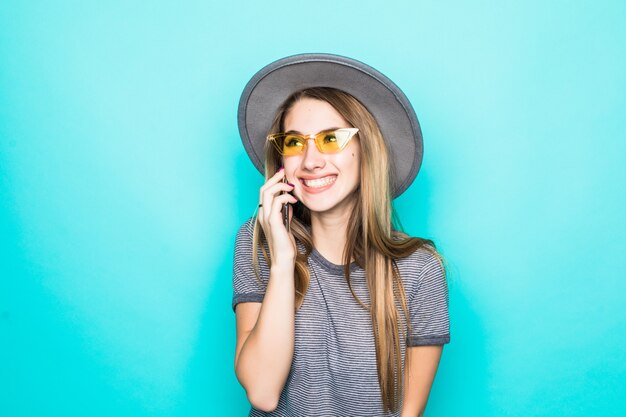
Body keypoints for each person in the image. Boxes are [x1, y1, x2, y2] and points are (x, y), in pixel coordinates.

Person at [232, 54, 450, 417]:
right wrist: (284, 261)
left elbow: (408, 413)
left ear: (367, 150)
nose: (311, 160)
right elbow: (263, 393)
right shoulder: (259, 243)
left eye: (331, 139)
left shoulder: (419, 270)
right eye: (294, 143)